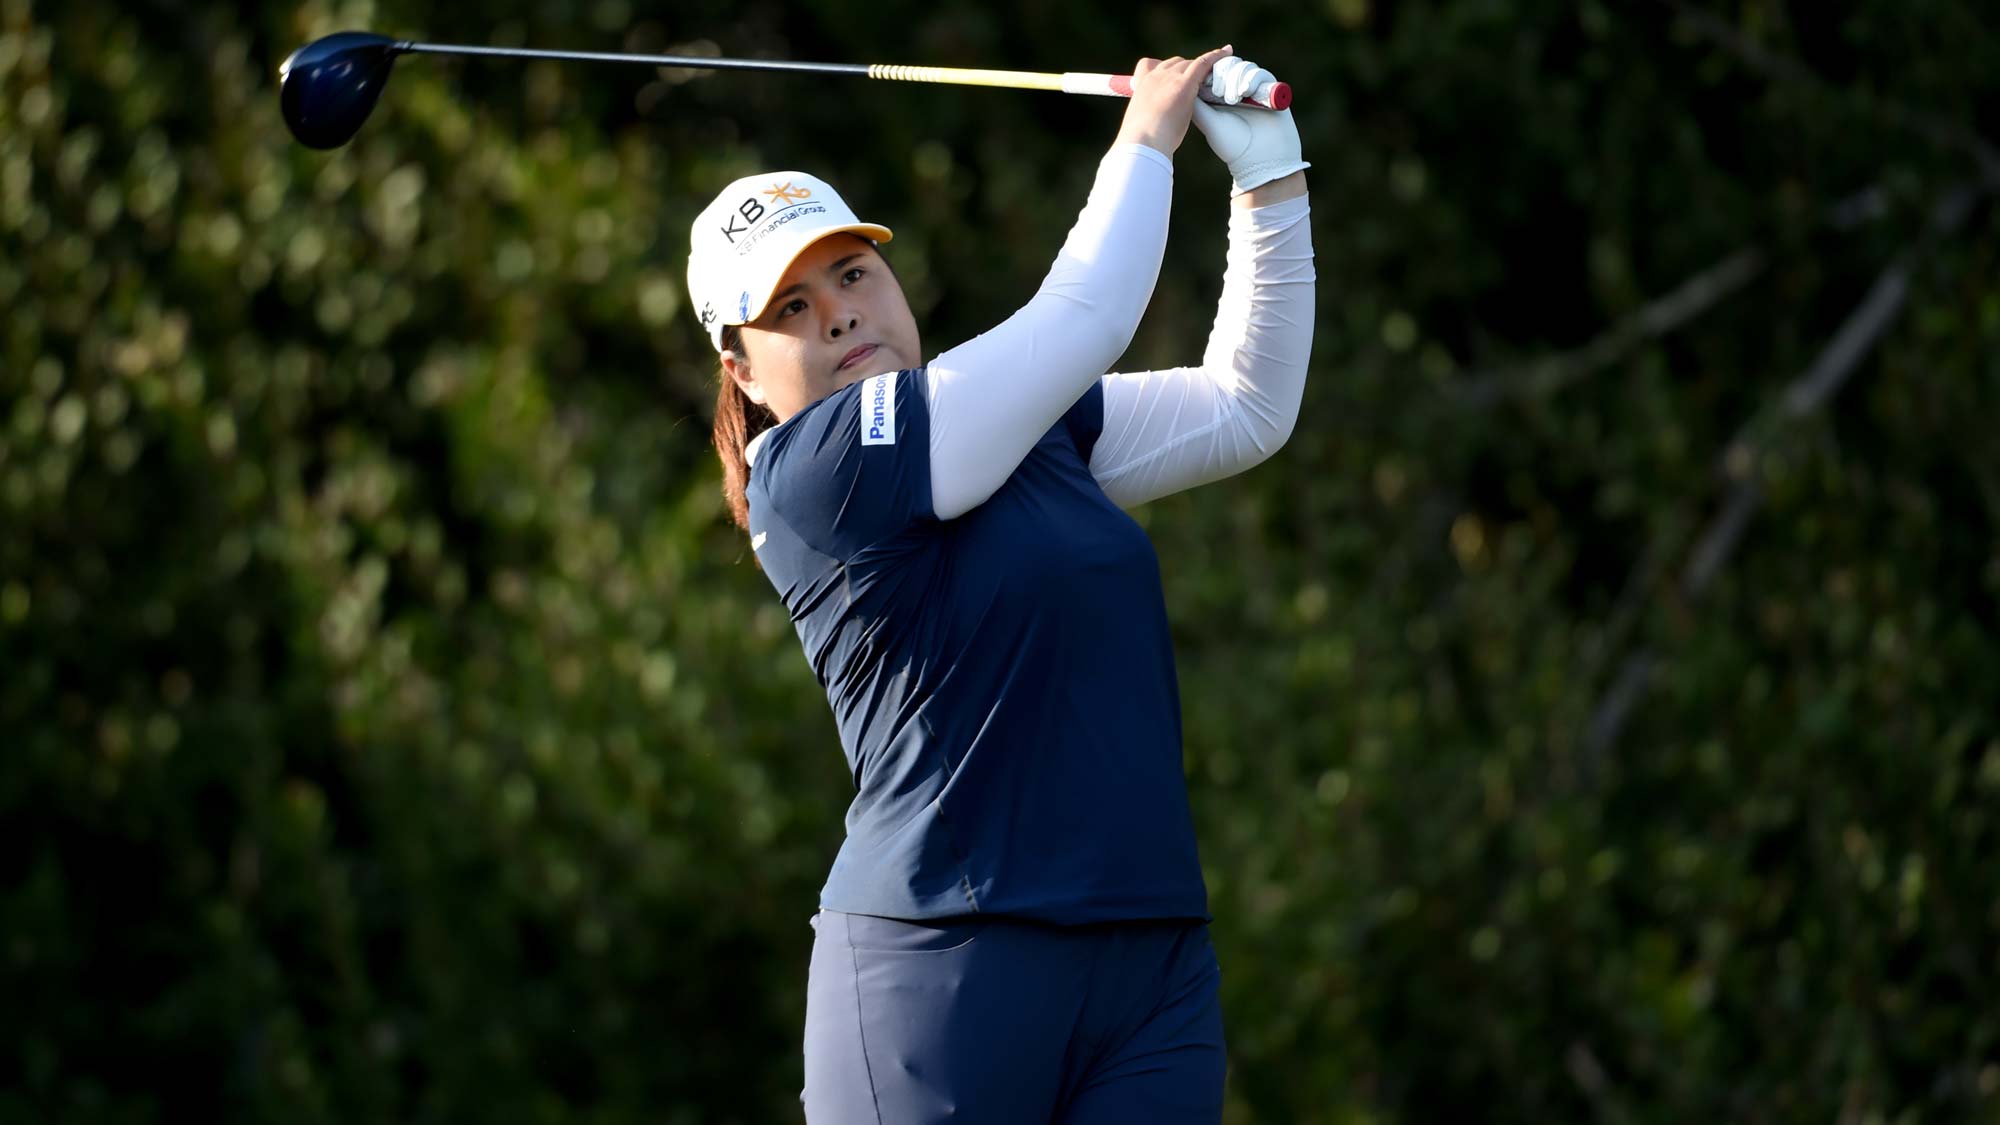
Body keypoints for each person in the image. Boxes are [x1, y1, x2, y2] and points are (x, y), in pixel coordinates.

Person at [683, 45, 1313, 1124]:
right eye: (786, 308)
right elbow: (1083, 318)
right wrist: (1143, 142)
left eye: (850, 273)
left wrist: (1270, 181)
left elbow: (1245, 406)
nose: (835, 313)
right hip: (942, 970)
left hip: (1147, 962)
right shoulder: (813, 474)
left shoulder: (1017, 423)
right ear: (739, 368)